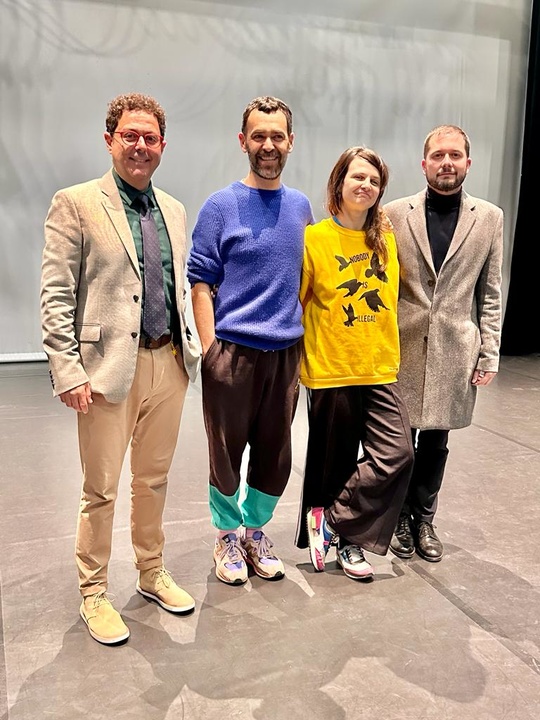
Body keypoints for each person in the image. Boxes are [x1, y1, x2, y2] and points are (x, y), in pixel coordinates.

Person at [41, 93, 201, 644]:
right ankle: (93, 591)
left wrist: (193, 348)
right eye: (129, 135)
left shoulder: (175, 210)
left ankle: (152, 572)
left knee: (153, 480)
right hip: (107, 372)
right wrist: (68, 370)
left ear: (162, 146)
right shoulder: (77, 203)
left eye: (149, 138)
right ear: (109, 139)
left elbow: (177, 286)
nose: (140, 146)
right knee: (101, 489)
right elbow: (56, 293)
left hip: (169, 364)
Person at [187, 96, 313, 585]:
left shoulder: (300, 206)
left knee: (275, 453)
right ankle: (226, 537)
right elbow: (201, 280)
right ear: (243, 142)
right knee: (225, 452)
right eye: (258, 136)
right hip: (232, 354)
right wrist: (210, 347)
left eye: (276, 136)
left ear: (290, 143)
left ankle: (255, 531)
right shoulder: (220, 206)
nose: (267, 145)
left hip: (285, 355)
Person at [384, 125, 504, 562]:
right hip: (401, 345)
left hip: (455, 348)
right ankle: (395, 516)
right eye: (438, 155)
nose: (446, 162)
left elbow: (490, 292)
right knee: (396, 439)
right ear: (424, 163)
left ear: (468, 163)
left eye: (455, 155)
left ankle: (423, 519)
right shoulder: (396, 213)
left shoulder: (489, 217)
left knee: (436, 442)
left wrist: (488, 351)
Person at [295, 147, 414, 581]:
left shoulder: (386, 240)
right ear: (339, 183)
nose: (365, 185)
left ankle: (331, 519)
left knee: (397, 453)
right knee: (336, 462)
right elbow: (299, 301)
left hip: (380, 367)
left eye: (374, 181)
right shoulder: (315, 239)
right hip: (331, 369)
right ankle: (350, 546)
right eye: (357, 177)